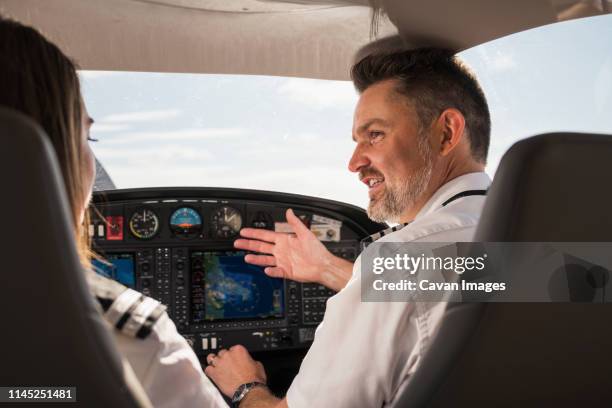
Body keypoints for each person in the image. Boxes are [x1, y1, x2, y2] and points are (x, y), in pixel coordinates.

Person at [204, 48, 492, 407]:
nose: (354, 163)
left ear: (446, 132)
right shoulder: (541, 245)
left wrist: (245, 386)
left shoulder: (401, 260)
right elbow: (453, 292)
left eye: (374, 135)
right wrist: (328, 268)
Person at [0, 16, 227, 408]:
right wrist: (249, 389)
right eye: (85, 137)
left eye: (372, 135)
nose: (354, 162)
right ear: (47, 158)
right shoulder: (137, 340)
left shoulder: (371, 272)